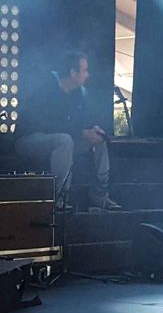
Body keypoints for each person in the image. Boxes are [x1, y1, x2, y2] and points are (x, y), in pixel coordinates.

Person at [14, 50, 121, 211]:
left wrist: (93, 129)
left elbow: (82, 122)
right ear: (73, 72)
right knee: (64, 140)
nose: (88, 74)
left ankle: (100, 197)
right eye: (84, 70)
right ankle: (59, 198)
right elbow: (44, 124)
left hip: (64, 139)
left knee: (99, 140)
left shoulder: (79, 93)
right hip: (29, 140)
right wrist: (81, 132)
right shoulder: (45, 87)